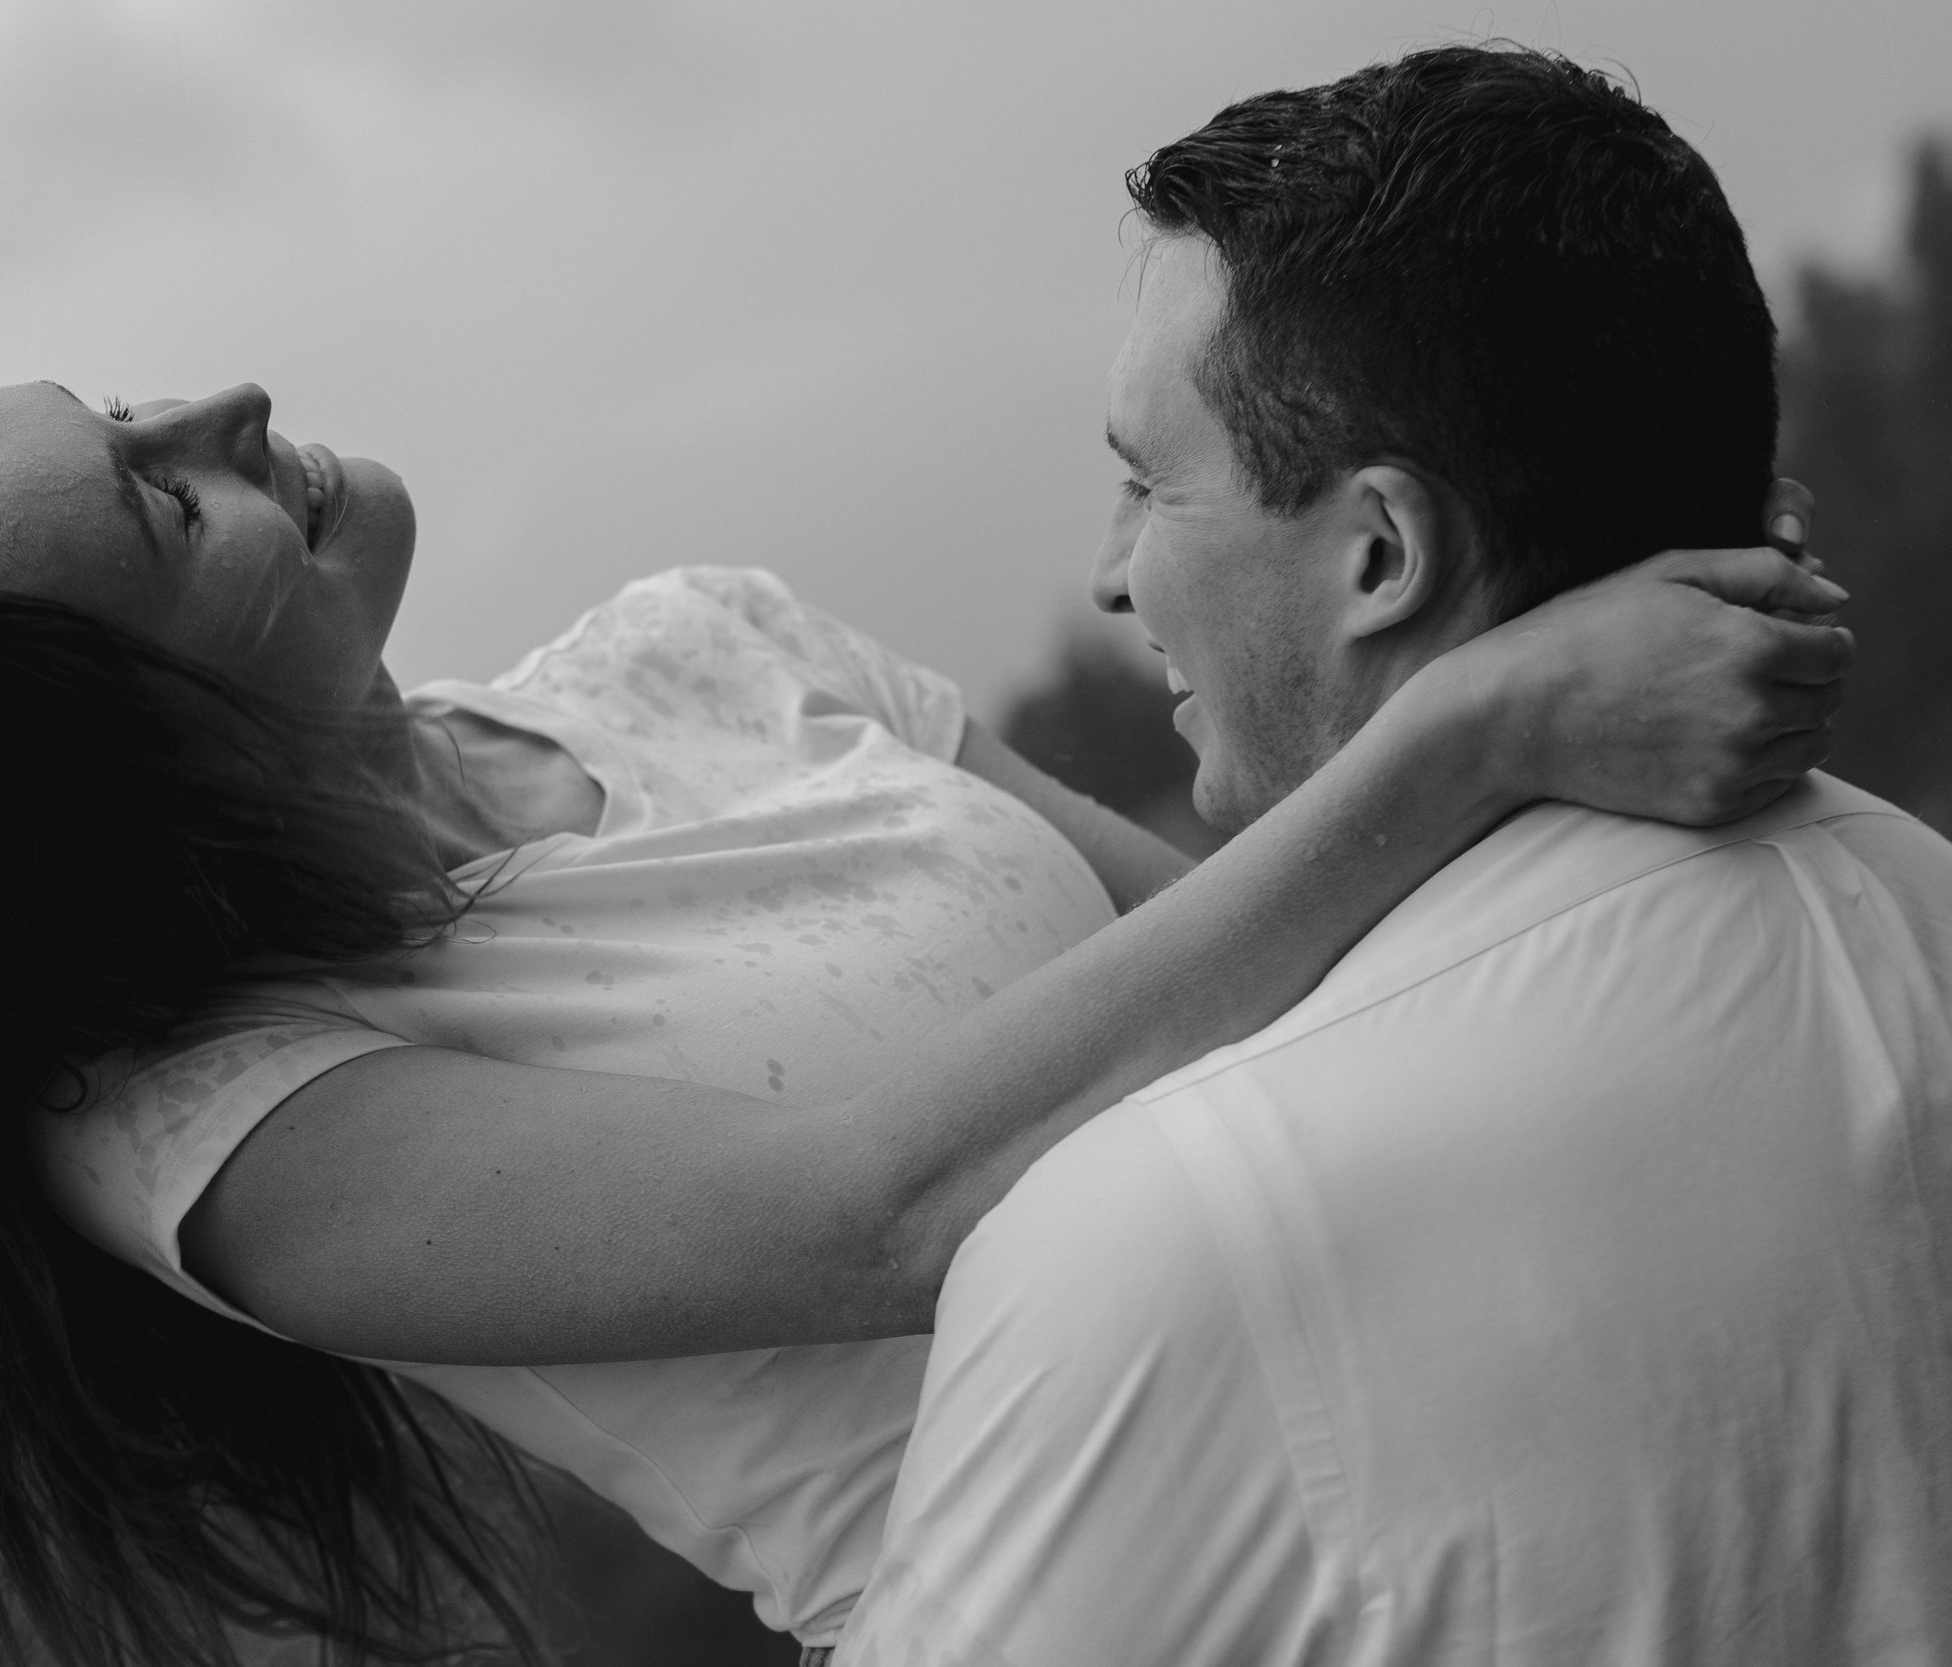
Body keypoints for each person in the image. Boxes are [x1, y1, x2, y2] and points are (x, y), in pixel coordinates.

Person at [0, 220, 1844, 1667]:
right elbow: (889, 1211)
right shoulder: (213, 1122)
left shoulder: (698, 638)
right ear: (113, 758)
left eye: (121, 407)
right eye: (150, 501)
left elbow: (1303, 974)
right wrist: (1476, 725)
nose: (220, 411)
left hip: (1529, 1451)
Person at [831, 46, 1952, 1667]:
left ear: (1379, 553)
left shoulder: (1161, 1234)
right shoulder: (1920, 903)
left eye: (1148, 482)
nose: (1109, 577)